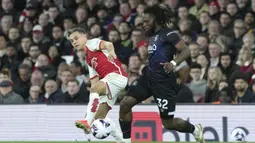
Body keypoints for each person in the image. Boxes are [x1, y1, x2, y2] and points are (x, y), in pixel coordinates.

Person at [118, 5, 205, 143]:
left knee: (168, 123)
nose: (144, 24)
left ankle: (195, 129)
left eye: (146, 21)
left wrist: (174, 63)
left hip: (164, 82)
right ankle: (126, 141)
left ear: (156, 19)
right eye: (142, 22)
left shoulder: (169, 34)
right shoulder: (152, 36)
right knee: (125, 104)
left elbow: (186, 51)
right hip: (148, 78)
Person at [67, 27, 128, 143]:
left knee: (94, 92)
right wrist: (91, 108)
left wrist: (112, 53)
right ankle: (122, 141)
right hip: (109, 83)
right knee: (99, 118)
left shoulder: (91, 43)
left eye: (76, 38)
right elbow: (94, 81)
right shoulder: (88, 59)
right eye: (71, 41)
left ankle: (86, 122)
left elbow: (109, 44)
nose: (74, 42)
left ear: (84, 36)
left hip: (116, 76)